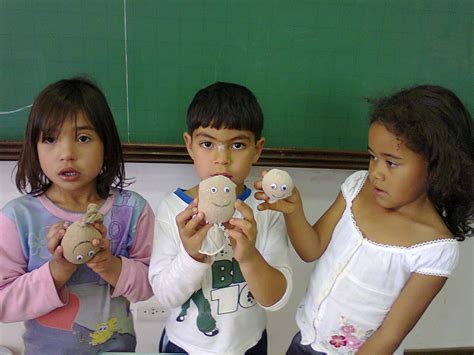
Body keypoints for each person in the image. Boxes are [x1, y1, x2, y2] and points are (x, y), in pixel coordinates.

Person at [255, 84, 473, 354]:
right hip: (306, 340)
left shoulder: (435, 250)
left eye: (391, 162)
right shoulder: (357, 187)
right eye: (372, 157)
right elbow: (311, 249)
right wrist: (294, 210)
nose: (376, 172)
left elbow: (390, 335)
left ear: (437, 165)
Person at [0, 77, 155, 354]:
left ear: (105, 143)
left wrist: (109, 265)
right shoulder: (18, 218)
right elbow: (4, 302)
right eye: (50, 139)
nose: (67, 154)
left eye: (83, 138)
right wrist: (58, 271)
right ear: (34, 147)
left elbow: (151, 285)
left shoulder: (132, 210)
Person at [149, 82, 292, 354]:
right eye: (207, 144)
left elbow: (275, 299)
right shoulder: (173, 209)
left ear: (257, 149)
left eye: (237, 145)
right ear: (190, 146)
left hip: (247, 345)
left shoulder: (265, 210)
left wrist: (249, 256)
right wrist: (193, 255)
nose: (222, 159)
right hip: (185, 346)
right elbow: (167, 296)